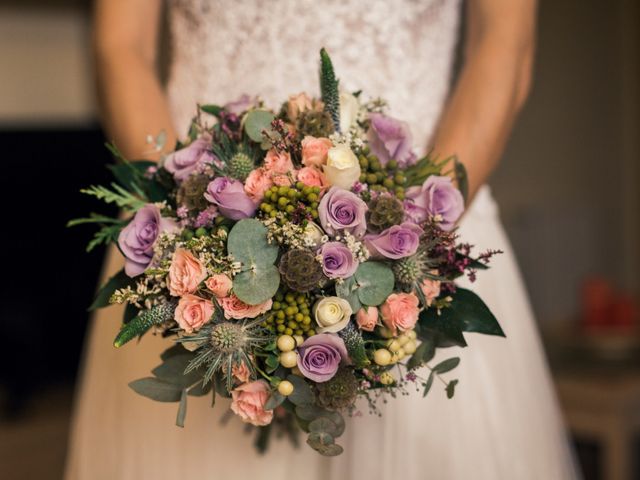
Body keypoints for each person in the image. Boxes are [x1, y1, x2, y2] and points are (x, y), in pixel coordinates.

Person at [66, 0, 580, 478]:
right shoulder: (188, 232)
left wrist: (417, 239)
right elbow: (121, 47)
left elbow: (504, 45)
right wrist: (183, 223)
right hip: (191, 230)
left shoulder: (416, 239)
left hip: (417, 223)